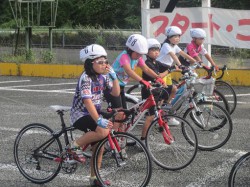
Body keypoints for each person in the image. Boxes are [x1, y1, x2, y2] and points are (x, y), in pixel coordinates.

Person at [70, 44, 120, 187]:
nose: (104, 64)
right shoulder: (85, 78)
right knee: (103, 131)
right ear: (89, 63)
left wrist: (114, 77)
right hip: (80, 114)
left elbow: (115, 93)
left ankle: (94, 178)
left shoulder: (103, 77)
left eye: (105, 61)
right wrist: (98, 120)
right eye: (100, 62)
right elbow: (87, 101)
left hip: (93, 114)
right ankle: (74, 146)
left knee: (100, 145)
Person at [105, 33, 165, 110]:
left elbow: (146, 69)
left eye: (141, 54)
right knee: (118, 111)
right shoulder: (124, 56)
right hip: (111, 85)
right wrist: (142, 81)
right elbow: (129, 71)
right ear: (130, 50)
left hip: (121, 86)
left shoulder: (137, 57)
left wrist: (157, 77)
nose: (139, 56)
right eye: (137, 54)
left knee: (123, 111)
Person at [156, 26, 198, 125]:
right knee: (163, 94)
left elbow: (183, 54)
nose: (177, 38)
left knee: (173, 90)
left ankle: (166, 113)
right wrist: (180, 66)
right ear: (169, 37)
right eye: (174, 36)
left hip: (167, 71)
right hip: (161, 70)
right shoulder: (166, 45)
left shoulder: (174, 46)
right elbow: (173, 56)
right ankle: (157, 116)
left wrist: (196, 62)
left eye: (178, 36)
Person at [140, 38, 178, 143]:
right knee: (150, 116)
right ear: (147, 52)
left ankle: (164, 105)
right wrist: (170, 70)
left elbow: (168, 67)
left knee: (174, 88)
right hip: (149, 92)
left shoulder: (156, 62)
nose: (157, 52)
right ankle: (142, 140)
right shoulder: (148, 63)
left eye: (158, 49)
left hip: (157, 90)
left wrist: (180, 67)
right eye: (153, 50)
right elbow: (158, 76)